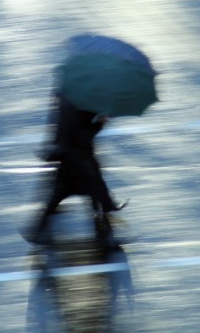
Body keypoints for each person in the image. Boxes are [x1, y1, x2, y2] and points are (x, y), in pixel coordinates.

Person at [26, 95, 127, 244]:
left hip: (68, 157)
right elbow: (82, 136)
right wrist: (99, 122)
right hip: (78, 160)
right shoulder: (80, 102)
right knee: (93, 191)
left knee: (62, 194)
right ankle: (104, 232)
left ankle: (39, 231)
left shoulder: (68, 97)